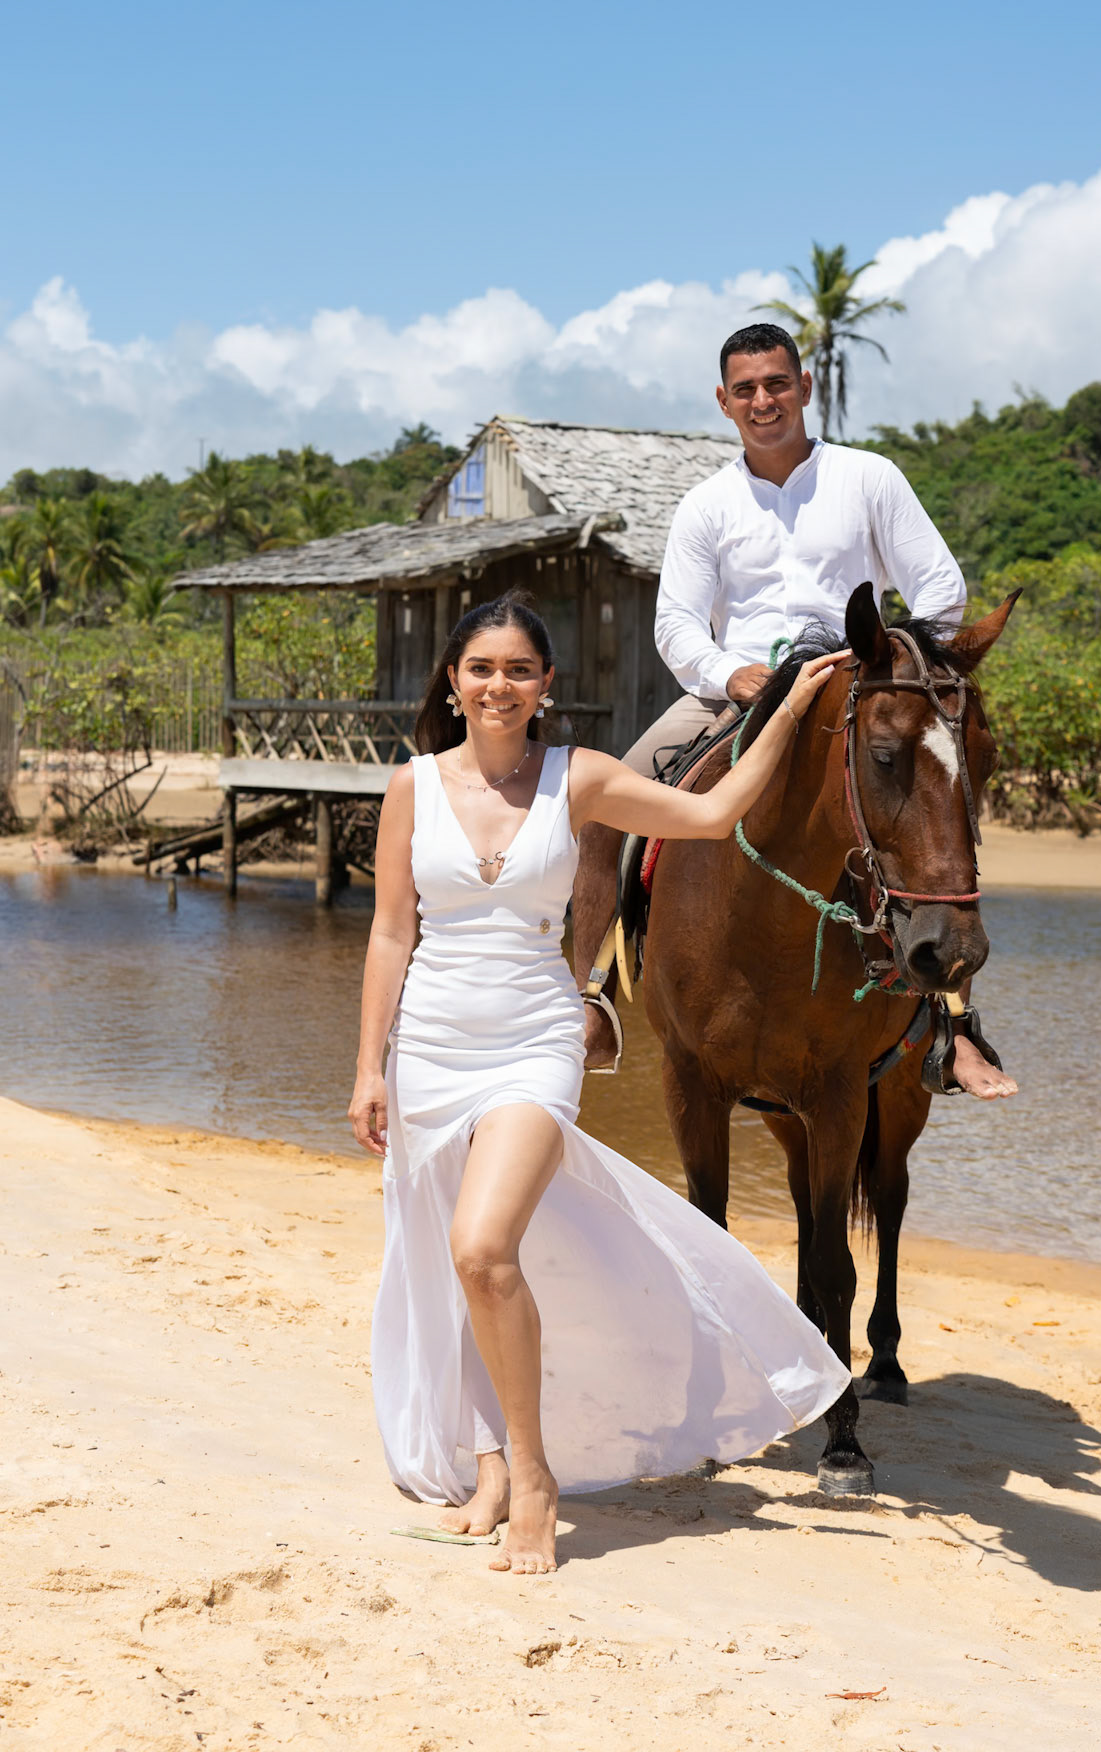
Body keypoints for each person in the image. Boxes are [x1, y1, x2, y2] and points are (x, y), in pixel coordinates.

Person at [348, 592, 852, 1576]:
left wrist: (788, 708)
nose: (499, 685)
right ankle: (488, 1465)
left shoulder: (574, 778)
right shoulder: (412, 784)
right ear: (453, 680)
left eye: (520, 670)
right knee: (453, 1263)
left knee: (485, 1248)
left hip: (536, 1042)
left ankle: (532, 1478)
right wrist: (369, 1064)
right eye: (481, 667)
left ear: (546, 687)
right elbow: (389, 932)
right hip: (431, 1048)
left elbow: (710, 814)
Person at [572, 321, 1017, 1101]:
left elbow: (941, 589)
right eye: (744, 389)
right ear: (722, 401)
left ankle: (953, 1026)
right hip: (734, 694)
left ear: (804, 388)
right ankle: (591, 995)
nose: (762, 400)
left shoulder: (868, 478)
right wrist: (726, 671)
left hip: (857, 690)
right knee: (608, 797)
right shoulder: (706, 504)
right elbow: (676, 622)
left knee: (930, 814)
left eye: (776, 383)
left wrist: (883, 663)